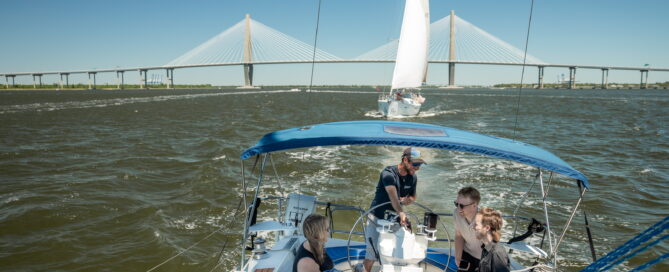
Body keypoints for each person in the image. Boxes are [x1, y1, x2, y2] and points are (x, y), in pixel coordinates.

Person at [362, 147, 426, 272]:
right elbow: (393, 198)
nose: (418, 167)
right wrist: (402, 214)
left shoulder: (413, 178)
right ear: (406, 160)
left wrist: (409, 200)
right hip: (377, 217)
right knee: (372, 254)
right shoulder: (388, 174)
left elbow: (413, 196)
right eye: (415, 164)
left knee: (393, 251)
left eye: (420, 164)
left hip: (395, 219)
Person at [454, 187, 482, 271]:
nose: (458, 209)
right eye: (456, 204)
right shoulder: (456, 213)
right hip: (466, 254)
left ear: (474, 205)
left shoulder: (484, 220)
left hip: (483, 259)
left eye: (462, 206)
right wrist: (458, 256)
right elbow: (459, 235)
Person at [474, 207, 511, 272]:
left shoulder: (497, 253)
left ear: (487, 228)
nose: (473, 227)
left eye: (476, 224)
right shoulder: (486, 247)